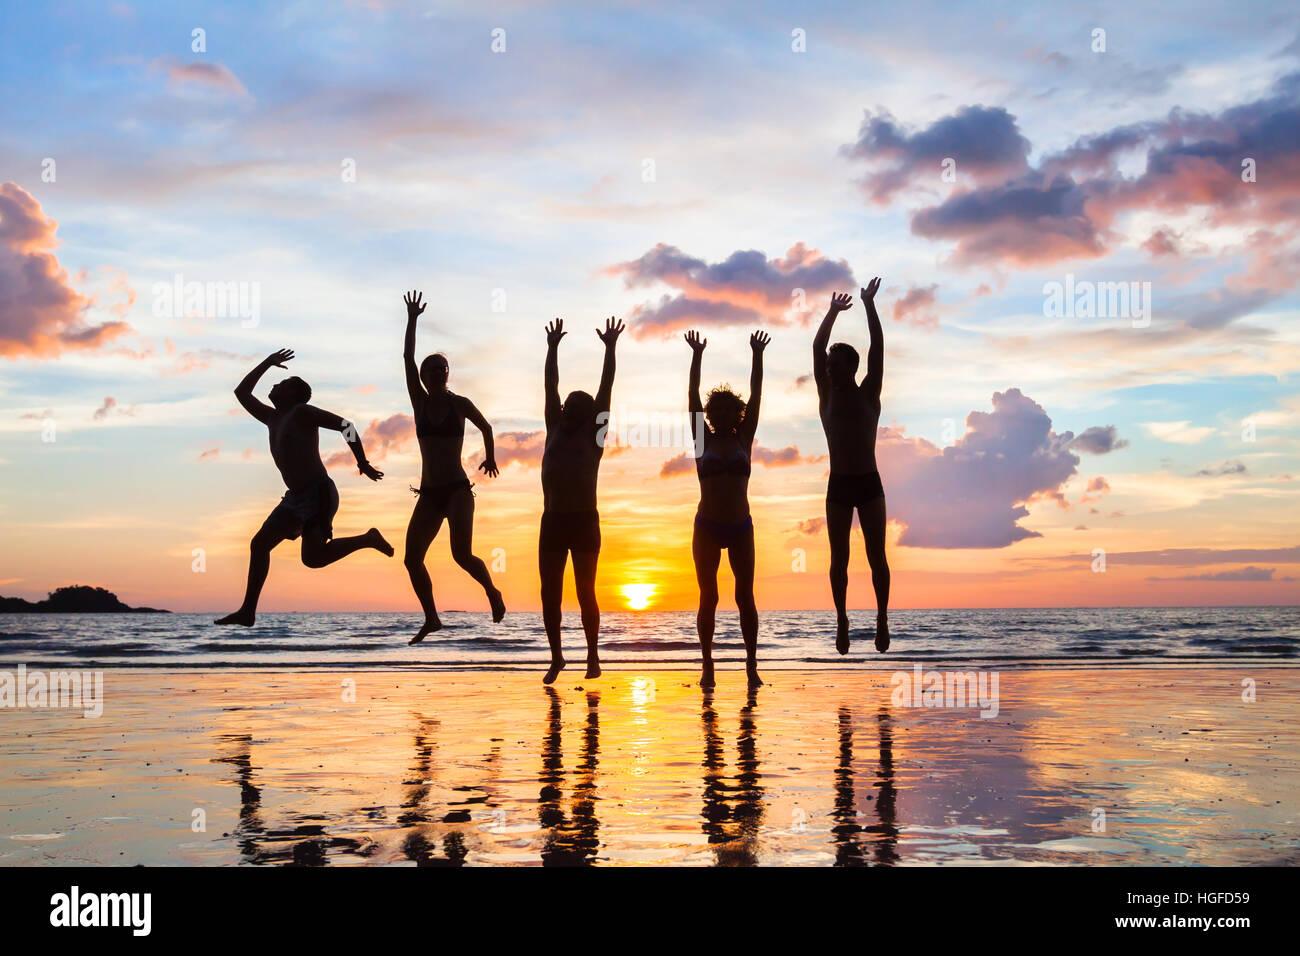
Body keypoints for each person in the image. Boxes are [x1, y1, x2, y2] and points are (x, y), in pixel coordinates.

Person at [215, 348, 392, 626]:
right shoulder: (272, 417)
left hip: (318, 492)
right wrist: (267, 363)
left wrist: (363, 462)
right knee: (273, 548)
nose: (274, 385)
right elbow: (242, 393)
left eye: (281, 384)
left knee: (304, 557)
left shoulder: (301, 412)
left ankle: (368, 540)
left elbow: (346, 425)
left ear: (292, 395)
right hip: (296, 497)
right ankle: (248, 611)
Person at [401, 291, 506, 644]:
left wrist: (490, 457)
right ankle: (432, 618)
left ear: (447, 374)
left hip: (458, 491)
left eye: (439, 369)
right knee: (412, 559)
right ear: (422, 375)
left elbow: (487, 427)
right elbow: (406, 355)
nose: (433, 374)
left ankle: (492, 591)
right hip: (429, 493)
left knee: (461, 555)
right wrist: (413, 318)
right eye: (427, 370)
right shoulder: (418, 401)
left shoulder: (459, 403)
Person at [539, 316, 624, 684]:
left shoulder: (595, 437)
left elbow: (606, 390)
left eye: (577, 404)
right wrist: (552, 348)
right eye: (567, 404)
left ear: (589, 413)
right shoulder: (553, 427)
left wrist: (610, 348)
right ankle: (557, 657)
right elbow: (550, 386)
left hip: (584, 521)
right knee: (549, 594)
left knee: (585, 591)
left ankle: (592, 656)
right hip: (553, 521)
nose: (569, 407)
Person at [685, 328, 769, 689]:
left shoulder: (743, 438)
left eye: (726, 409)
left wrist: (757, 355)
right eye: (713, 409)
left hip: (740, 526)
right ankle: (708, 665)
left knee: (744, 595)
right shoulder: (701, 437)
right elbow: (691, 397)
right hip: (707, 526)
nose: (718, 413)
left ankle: (751, 665)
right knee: (709, 596)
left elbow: (757, 393)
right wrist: (697, 355)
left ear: (737, 413)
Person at [812, 280, 891, 654]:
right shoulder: (826, 395)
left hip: (869, 483)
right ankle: (841, 619)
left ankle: (881, 617)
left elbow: (877, 347)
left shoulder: (868, 392)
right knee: (838, 559)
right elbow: (816, 347)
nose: (828, 369)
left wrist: (868, 304)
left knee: (877, 556)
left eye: (835, 365)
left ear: (851, 369)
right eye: (828, 365)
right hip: (839, 485)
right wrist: (832, 312)